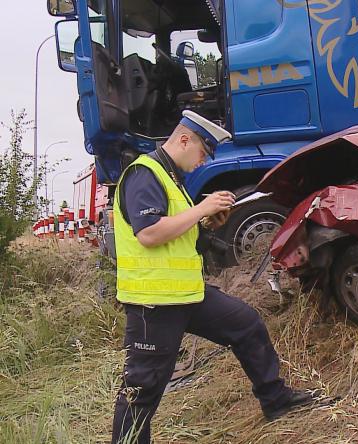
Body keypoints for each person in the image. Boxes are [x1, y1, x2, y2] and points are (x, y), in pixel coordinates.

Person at [111, 111, 315, 443]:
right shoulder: (143, 174)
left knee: (247, 325)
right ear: (184, 139)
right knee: (141, 389)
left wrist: (206, 223)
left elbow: (176, 233)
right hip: (154, 304)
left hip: (187, 295)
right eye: (203, 152)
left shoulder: (170, 176)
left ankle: (276, 401)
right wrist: (202, 209)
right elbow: (149, 233)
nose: (203, 160)